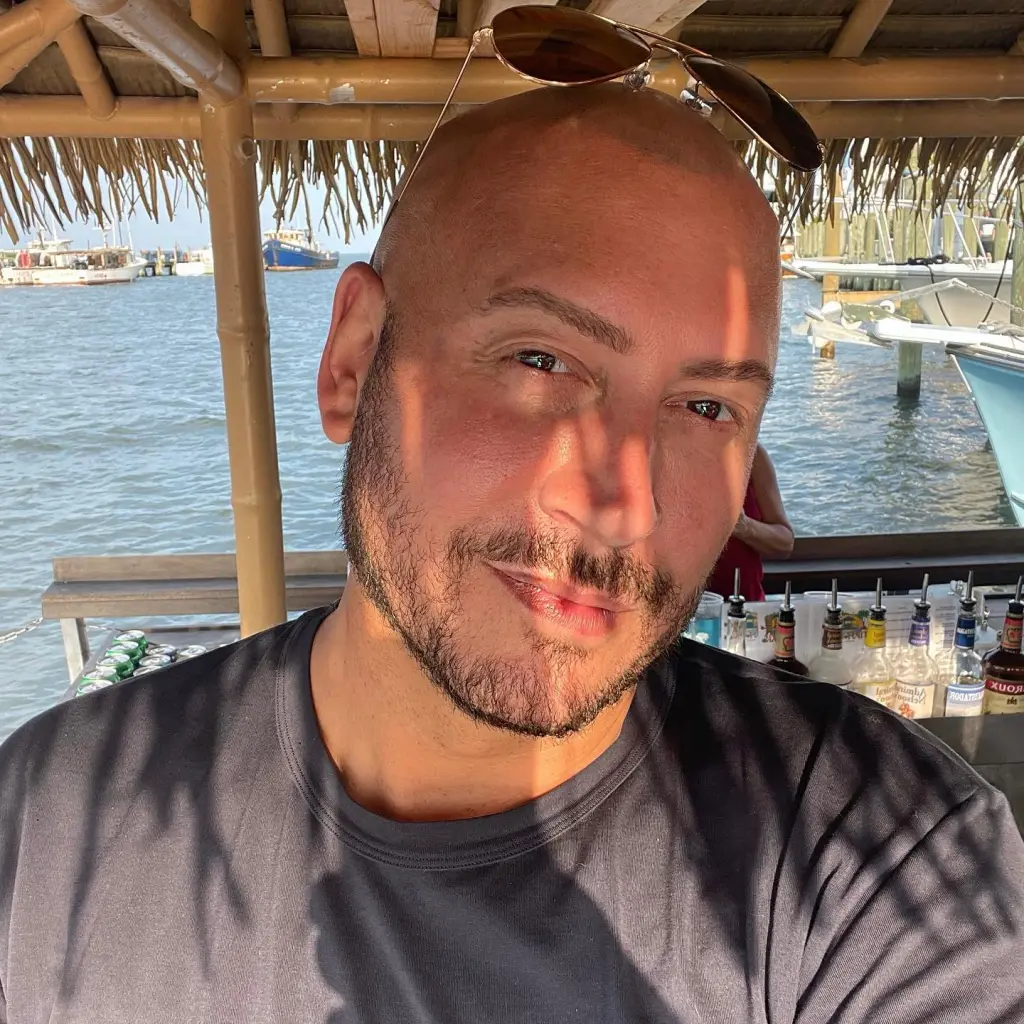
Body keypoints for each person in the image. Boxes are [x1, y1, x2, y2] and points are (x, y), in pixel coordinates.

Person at [1, 85, 1023, 1024]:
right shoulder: (48, 834)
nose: (623, 499)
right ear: (353, 363)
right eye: (541, 359)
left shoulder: (875, 858)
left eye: (704, 406)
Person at [707, 443, 794, 601]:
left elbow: (785, 543)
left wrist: (744, 526)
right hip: (678, 615)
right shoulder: (658, 454)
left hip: (746, 609)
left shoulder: (750, 454)